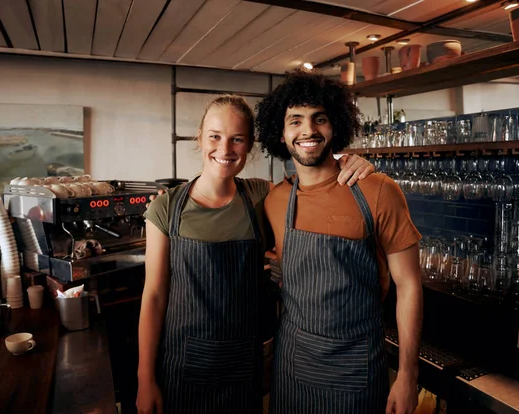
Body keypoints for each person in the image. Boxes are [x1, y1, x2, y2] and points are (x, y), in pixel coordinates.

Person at [136, 94, 374, 414]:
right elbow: (153, 297)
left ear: (250, 146)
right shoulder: (166, 208)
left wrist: (351, 159)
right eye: (215, 137)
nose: (225, 149)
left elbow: (314, 180)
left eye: (237, 139)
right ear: (199, 137)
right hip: (183, 366)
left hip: (242, 366)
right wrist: (145, 378)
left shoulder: (262, 195)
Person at [256, 71, 423, 414]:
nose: (308, 131)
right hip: (292, 367)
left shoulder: (377, 190)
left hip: (356, 368)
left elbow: (409, 286)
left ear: (336, 125)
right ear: (281, 132)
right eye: (295, 120)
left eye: (320, 118)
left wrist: (407, 373)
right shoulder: (276, 199)